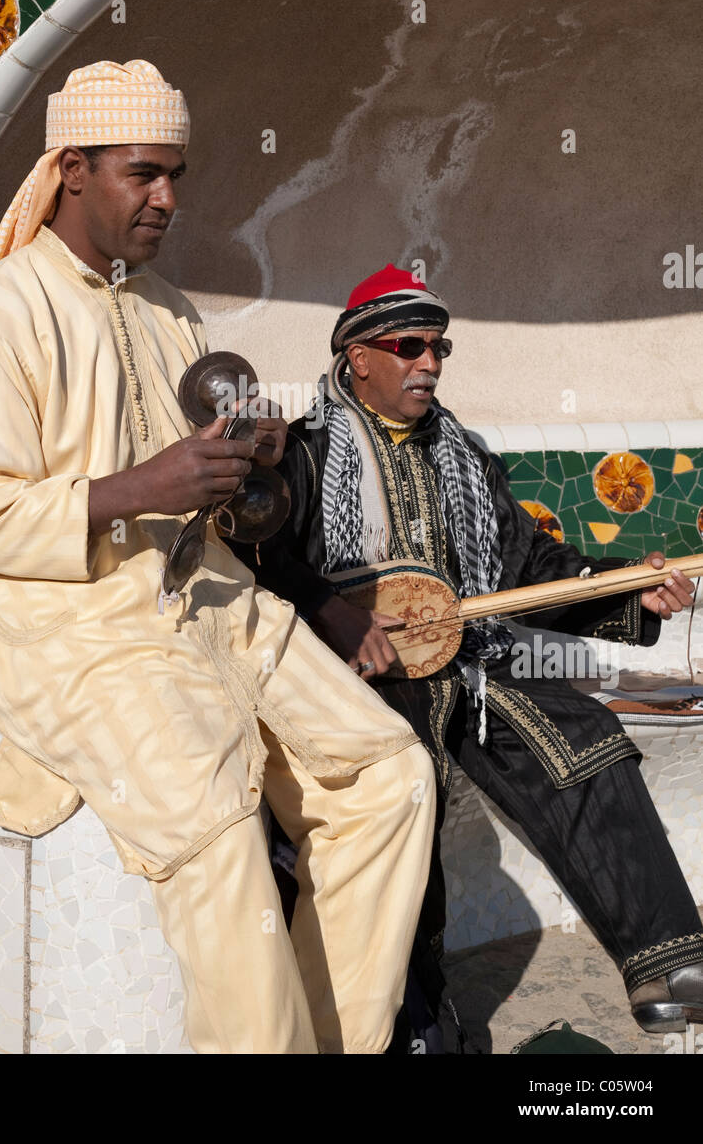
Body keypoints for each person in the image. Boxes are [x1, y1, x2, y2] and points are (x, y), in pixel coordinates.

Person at [0, 66, 436, 1055]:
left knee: (388, 779)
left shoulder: (167, 310)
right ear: (71, 170)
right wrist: (144, 486)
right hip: (73, 629)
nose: (168, 198)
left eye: (176, 175)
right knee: (215, 834)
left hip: (212, 605)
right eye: (142, 174)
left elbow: (215, 502)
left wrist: (252, 459)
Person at [238, 263, 703, 1037]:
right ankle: (409, 1019)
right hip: (354, 680)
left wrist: (629, 588)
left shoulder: (465, 457)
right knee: (402, 788)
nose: (430, 364)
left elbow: (535, 569)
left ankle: (669, 968)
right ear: (357, 355)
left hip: (469, 668)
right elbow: (262, 565)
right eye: (410, 346)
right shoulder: (305, 455)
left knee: (584, 741)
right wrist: (333, 613)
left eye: (440, 348)